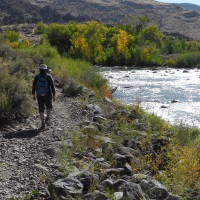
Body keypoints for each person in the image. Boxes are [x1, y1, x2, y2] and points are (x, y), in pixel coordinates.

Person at [32, 64, 56, 129]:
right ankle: (47, 118)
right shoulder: (49, 77)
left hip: (39, 95)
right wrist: (54, 95)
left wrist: (33, 95)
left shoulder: (36, 77)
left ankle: (43, 123)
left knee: (41, 109)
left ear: (39, 70)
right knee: (49, 106)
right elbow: (52, 87)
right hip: (48, 94)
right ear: (46, 70)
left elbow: (34, 86)